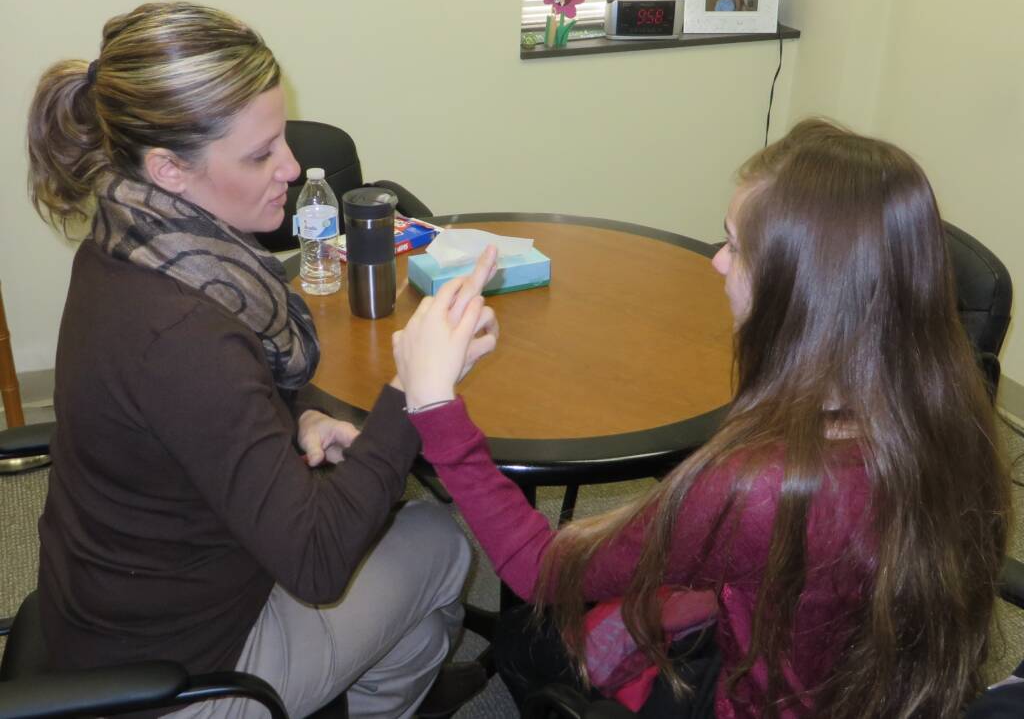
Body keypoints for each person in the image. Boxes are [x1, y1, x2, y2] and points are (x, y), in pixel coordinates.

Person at [391, 119, 1011, 718]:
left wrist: (434, 406)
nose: (716, 261)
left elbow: (543, 569)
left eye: (736, 248)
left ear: (802, 290)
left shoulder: (761, 482)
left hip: (760, 696)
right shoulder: (952, 403)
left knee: (529, 638)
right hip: (876, 681)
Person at [27, 1, 496, 719]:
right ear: (169, 169)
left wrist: (300, 412)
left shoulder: (132, 245)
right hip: (184, 676)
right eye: (258, 154)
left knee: (397, 550)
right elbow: (316, 564)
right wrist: (414, 388)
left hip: (119, 610)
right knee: (440, 544)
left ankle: (389, 672)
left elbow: (207, 409)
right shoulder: (181, 330)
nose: (293, 167)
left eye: (281, 140)